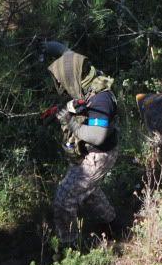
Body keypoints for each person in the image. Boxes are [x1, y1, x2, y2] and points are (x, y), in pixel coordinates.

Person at [42, 42, 120, 249]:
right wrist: (49, 46)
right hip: (89, 152)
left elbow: (97, 136)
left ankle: (70, 250)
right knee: (89, 194)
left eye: (63, 81)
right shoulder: (86, 74)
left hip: (99, 153)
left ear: (72, 77)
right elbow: (68, 55)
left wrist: (69, 123)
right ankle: (113, 227)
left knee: (63, 200)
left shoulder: (101, 99)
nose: (62, 86)